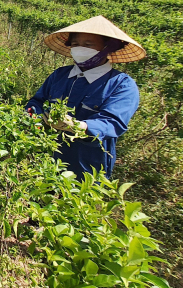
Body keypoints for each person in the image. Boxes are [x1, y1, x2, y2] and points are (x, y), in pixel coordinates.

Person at [25, 15, 146, 180]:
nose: (80, 49)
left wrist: (78, 126)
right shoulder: (60, 75)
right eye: (75, 44)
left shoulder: (121, 84)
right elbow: (36, 102)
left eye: (88, 45)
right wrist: (36, 117)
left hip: (87, 167)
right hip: (46, 160)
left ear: (107, 48)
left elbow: (112, 122)